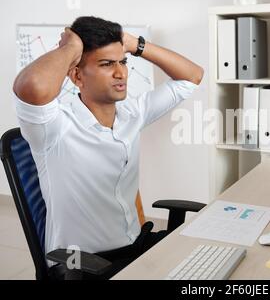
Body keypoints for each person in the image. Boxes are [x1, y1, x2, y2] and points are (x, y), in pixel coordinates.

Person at [12, 16, 204, 278]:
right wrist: (70, 49)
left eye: (122, 62)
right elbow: (32, 86)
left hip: (135, 247)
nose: (120, 72)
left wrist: (133, 43)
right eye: (106, 64)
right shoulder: (53, 127)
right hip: (82, 264)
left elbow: (192, 76)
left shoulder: (132, 113)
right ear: (77, 75)